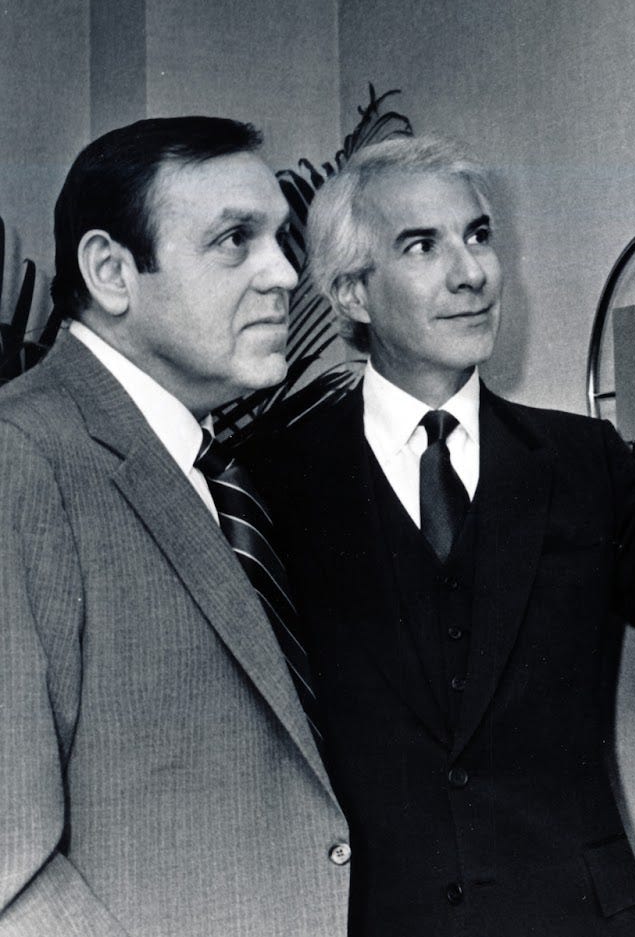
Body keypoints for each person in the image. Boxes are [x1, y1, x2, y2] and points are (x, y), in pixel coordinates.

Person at [244, 134, 635, 937]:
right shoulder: (269, 485)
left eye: (479, 235)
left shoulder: (582, 463)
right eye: (422, 246)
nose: (472, 272)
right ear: (352, 292)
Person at [0, 118, 349, 937]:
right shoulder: (23, 458)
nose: (285, 273)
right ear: (110, 270)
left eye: (280, 239)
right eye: (235, 239)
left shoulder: (209, 465)